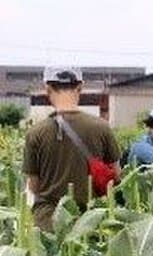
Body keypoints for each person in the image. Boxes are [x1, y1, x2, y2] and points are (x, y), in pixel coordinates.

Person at [23, 67, 121, 232]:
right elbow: (117, 176)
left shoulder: (35, 133)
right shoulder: (102, 128)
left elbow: (33, 186)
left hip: (48, 224)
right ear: (80, 88)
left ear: (48, 89)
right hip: (91, 223)